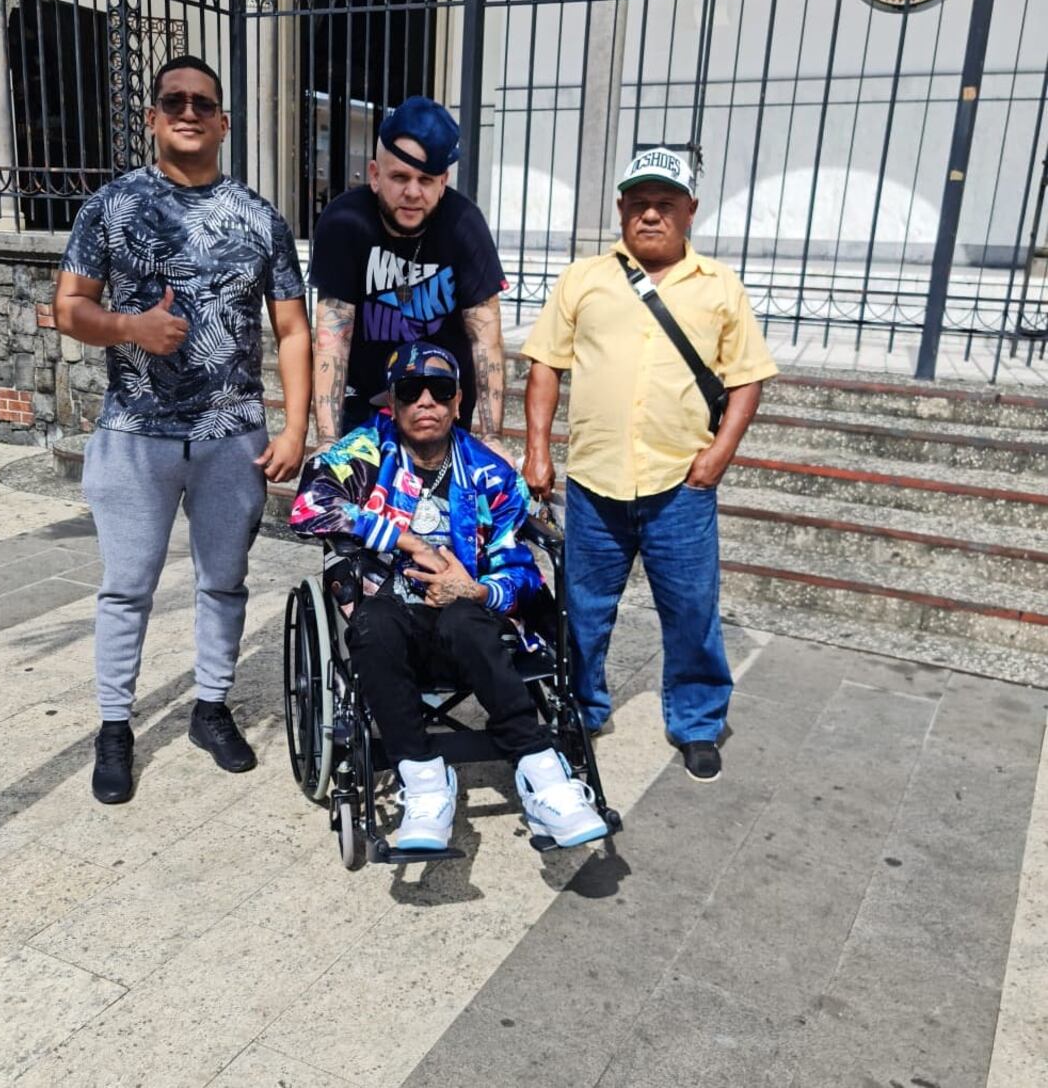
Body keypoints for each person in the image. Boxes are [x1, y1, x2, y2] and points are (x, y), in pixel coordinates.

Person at [54, 54, 312, 804]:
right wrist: (132, 326)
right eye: (175, 100)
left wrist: (295, 428)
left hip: (232, 432)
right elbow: (68, 308)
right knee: (126, 588)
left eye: (203, 101)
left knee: (223, 583)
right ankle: (114, 728)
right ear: (154, 116)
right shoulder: (111, 207)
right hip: (135, 431)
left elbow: (292, 329)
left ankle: (209, 707)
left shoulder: (259, 216)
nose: (189, 111)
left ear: (224, 121)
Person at [521, 147, 777, 783]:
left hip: (680, 485)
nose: (651, 215)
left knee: (691, 609)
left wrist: (718, 456)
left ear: (691, 211)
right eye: (638, 204)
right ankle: (581, 708)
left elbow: (746, 381)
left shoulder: (720, 287)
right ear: (620, 210)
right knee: (581, 607)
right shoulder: (584, 279)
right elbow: (546, 365)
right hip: (595, 480)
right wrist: (537, 448)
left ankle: (696, 722)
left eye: (666, 204)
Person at [289, 340, 608, 851]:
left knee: (466, 619)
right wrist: (403, 538)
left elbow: (521, 570)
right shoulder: (361, 454)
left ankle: (546, 778)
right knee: (373, 628)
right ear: (390, 403)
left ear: (458, 402)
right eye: (410, 391)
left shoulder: (491, 473)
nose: (425, 403)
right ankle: (424, 784)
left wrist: (479, 588)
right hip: (390, 613)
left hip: (468, 619)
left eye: (439, 391)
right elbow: (307, 508)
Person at [308, 95, 510, 456]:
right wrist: (326, 439)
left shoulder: (465, 225)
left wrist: (492, 435)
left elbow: (487, 341)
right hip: (366, 411)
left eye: (426, 179)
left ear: (443, 181)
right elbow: (332, 338)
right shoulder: (344, 223)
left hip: (441, 410)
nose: (412, 192)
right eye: (399, 177)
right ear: (374, 175)